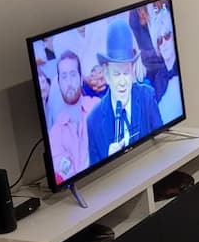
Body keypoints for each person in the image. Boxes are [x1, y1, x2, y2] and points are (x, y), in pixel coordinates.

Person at [87, 20, 162, 165]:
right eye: (116, 74)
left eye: (126, 73)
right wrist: (108, 161)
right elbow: (94, 174)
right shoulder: (93, 121)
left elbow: (163, 140)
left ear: (132, 71)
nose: (122, 82)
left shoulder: (147, 96)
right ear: (107, 75)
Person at [47, 50, 99, 184]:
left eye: (73, 75)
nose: (69, 82)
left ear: (81, 79)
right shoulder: (55, 134)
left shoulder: (98, 107)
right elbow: (67, 176)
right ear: (59, 83)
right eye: (64, 77)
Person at [147, 2, 183, 125]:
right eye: (159, 40)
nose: (163, 43)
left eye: (167, 35)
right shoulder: (159, 79)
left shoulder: (182, 68)